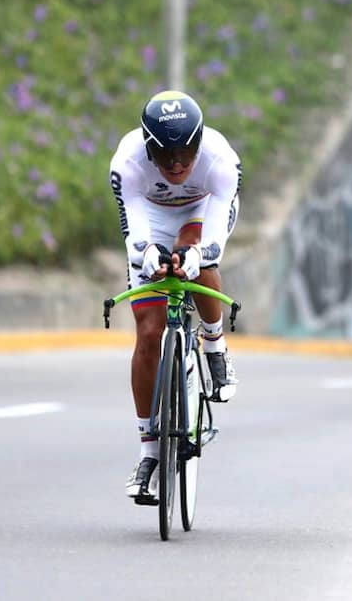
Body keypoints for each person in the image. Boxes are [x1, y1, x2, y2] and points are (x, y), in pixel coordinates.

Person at [109, 90, 241, 504]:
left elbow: (215, 239)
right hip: (150, 217)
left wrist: (195, 254)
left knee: (195, 255)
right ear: (149, 149)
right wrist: (147, 255)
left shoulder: (220, 161)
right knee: (148, 333)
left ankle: (215, 346)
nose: (179, 164)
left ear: (200, 143)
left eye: (186, 153)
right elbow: (134, 234)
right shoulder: (127, 163)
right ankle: (149, 454)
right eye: (166, 157)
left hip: (202, 213)